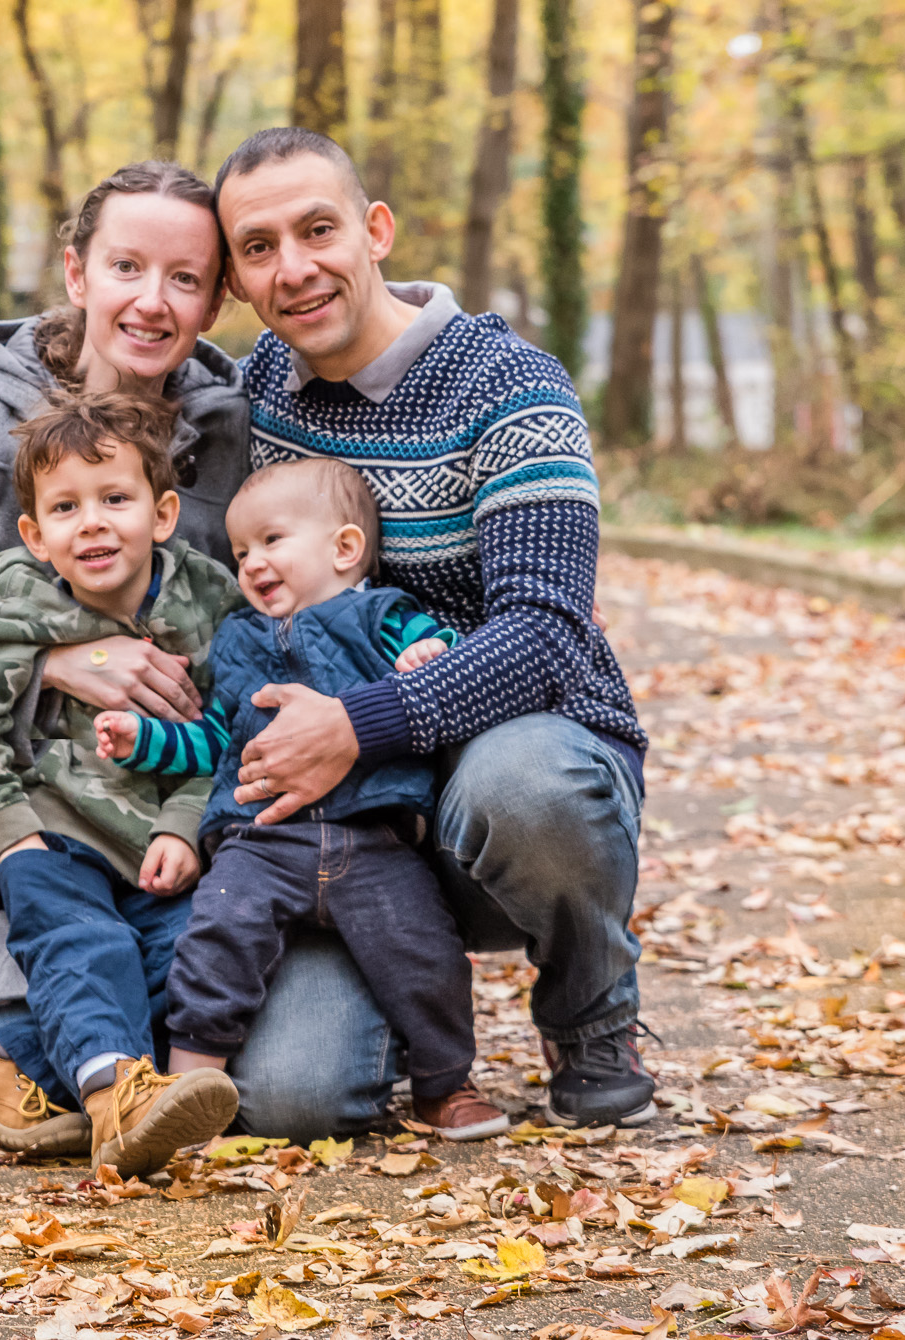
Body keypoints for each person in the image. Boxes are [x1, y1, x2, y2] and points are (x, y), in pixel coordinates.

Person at [207, 127, 657, 1130]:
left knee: (528, 786)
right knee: (289, 1098)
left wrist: (353, 724)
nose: (296, 267)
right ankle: (405, 1015)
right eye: (260, 246)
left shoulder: (510, 386)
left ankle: (590, 1008)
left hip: (499, 781)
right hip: (347, 828)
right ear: (234, 279)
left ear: (375, 232)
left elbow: (545, 633)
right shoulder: (252, 401)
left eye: (318, 229)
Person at [0, 160, 302, 1156]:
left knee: (218, 1068)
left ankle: (7, 1062)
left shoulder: (233, 441)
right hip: (2, 822)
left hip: (160, 819)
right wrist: (59, 661)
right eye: (126, 266)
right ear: (76, 272)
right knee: (67, 1047)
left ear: (215, 298)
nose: (152, 300)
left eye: (185, 279)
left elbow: (255, 632)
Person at [94, 456, 510, 1139]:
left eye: (272, 541)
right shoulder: (238, 642)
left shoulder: (382, 616)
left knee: (424, 954)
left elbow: (451, 656)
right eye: (242, 551)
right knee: (214, 942)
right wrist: (144, 740)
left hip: (372, 838)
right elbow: (215, 742)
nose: (252, 562)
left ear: (345, 548)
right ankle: (187, 1087)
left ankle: (445, 1084)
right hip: (260, 844)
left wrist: (428, 656)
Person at [0, 393, 243, 1175]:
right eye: (65, 507)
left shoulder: (208, 602)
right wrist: (11, 836)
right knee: (84, 947)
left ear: (163, 513)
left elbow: (228, 734)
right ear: (34, 534)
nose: (92, 523)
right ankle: (115, 1104)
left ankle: (13, 1077)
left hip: (158, 854)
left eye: (115, 499)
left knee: (191, 963)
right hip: (52, 841)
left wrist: (182, 824)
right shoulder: (12, 602)